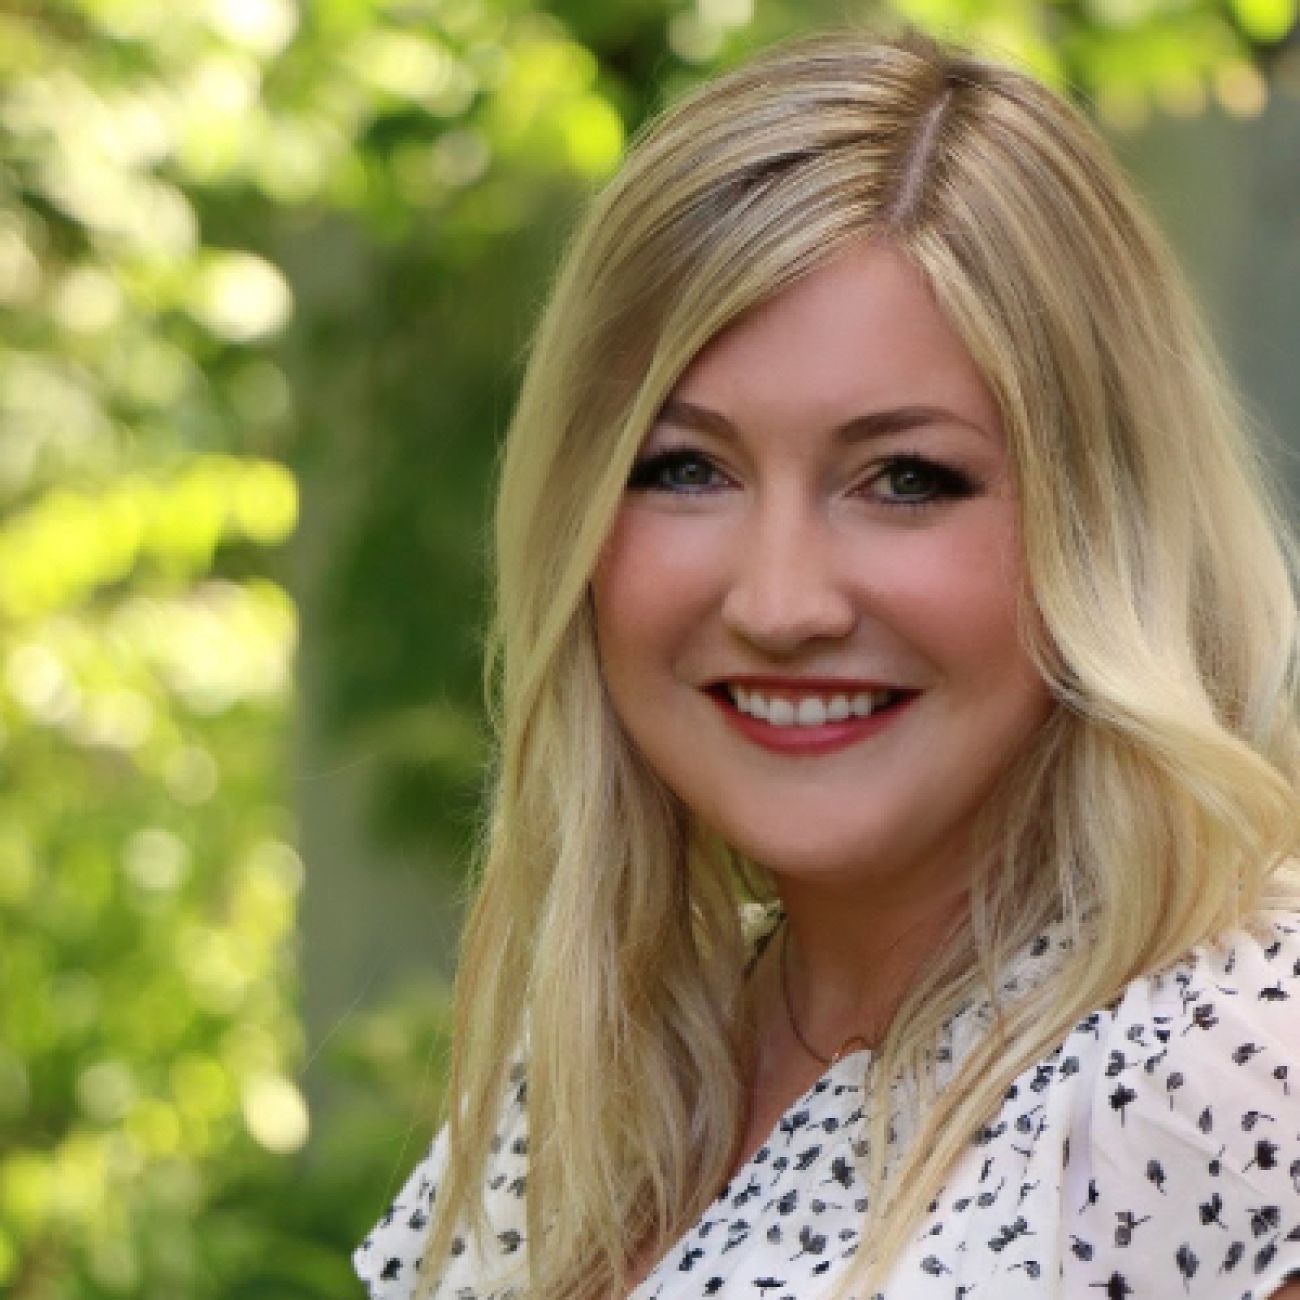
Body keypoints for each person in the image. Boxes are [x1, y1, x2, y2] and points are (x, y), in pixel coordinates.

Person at [353, 26, 1300, 1300]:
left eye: (905, 478)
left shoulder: (1226, 1058)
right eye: (684, 468)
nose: (781, 601)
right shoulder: (599, 1075)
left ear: (1101, 521)